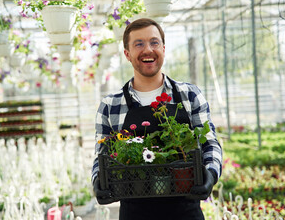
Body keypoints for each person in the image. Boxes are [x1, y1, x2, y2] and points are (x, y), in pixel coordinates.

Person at [92, 18, 222, 220]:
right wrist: (97, 181)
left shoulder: (190, 95)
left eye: (154, 42)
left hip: (185, 209)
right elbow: (102, 155)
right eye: (139, 44)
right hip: (135, 212)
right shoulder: (110, 105)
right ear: (127, 54)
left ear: (163, 48)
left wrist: (210, 174)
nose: (148, 50)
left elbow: (210, 143)